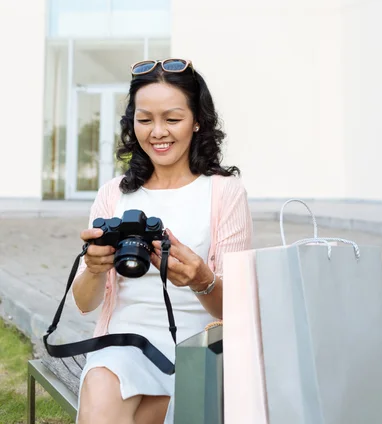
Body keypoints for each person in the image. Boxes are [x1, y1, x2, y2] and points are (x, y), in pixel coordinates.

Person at [72, 58, 253, 424]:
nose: (157, 132)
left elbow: (238, 309)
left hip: (198, 346)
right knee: (102, 399)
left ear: (197, 121)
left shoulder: (224, 193)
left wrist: (203, 280)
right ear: (131, 123)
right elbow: (84, 304)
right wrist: (93, 268)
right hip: (121, 342)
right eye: (144, 120)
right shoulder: (114, 195)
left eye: (172, 119)